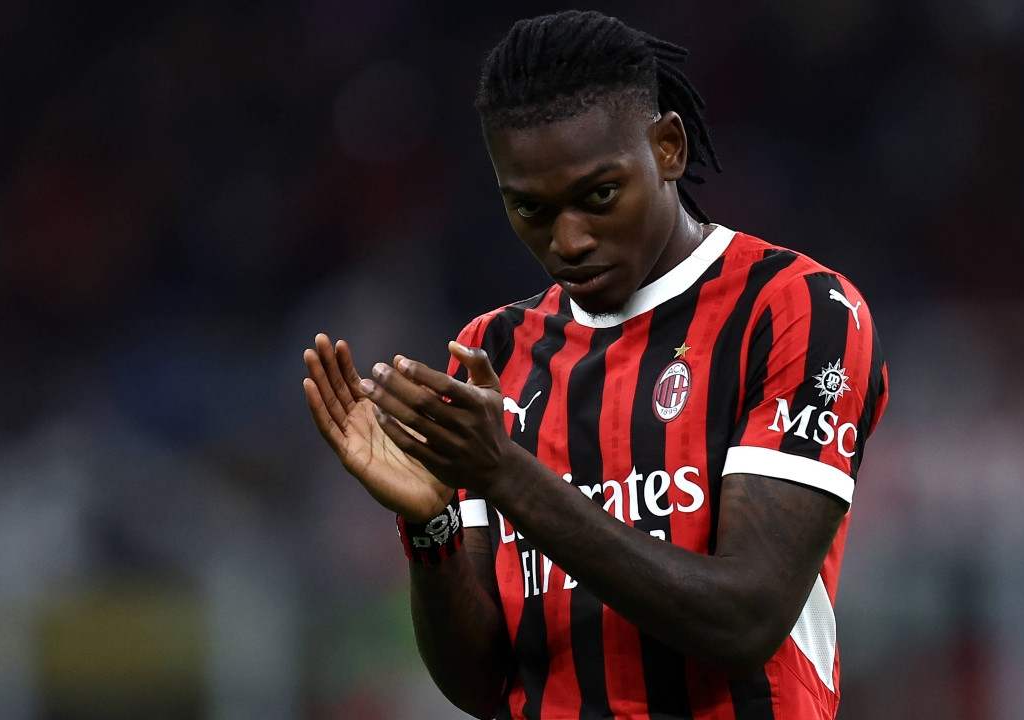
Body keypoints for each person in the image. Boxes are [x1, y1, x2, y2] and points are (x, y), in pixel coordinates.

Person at [302, 10, 889, 720]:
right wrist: (432, 530)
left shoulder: (795, 310)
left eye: (599, 195)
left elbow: (745, 622)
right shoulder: (493, 353)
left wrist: (505, 474)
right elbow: (484, 686)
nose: (569, 240)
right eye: (531, 209)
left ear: (667, 147)